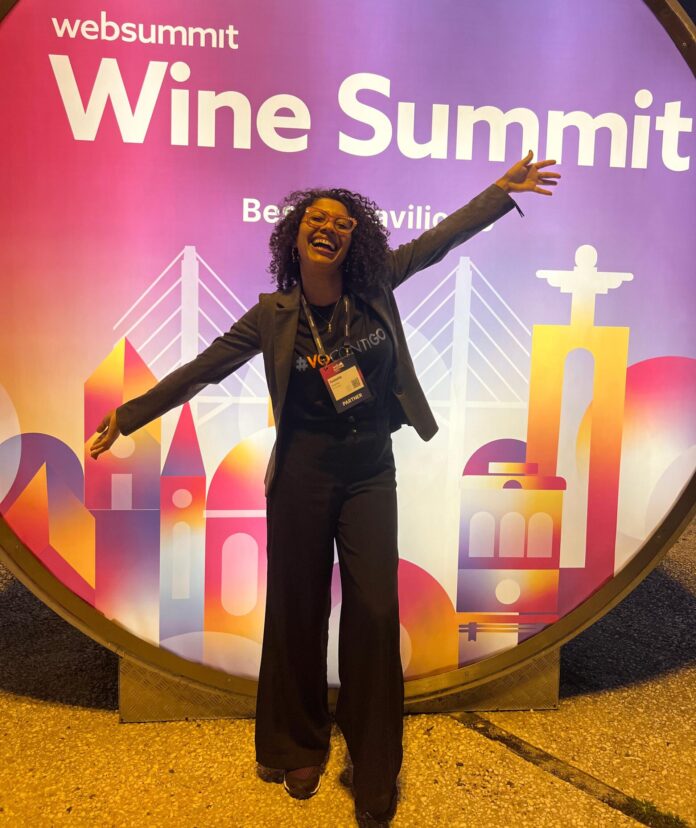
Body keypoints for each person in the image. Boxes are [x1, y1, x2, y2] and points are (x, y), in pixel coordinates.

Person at [90, 151, 560, 826]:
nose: (329, 227)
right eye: (317, 218)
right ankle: (298, 746)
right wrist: (129, 416)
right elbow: (201, 371)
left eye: (342, 222)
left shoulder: (376, 285)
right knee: (297, 608)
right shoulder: (273, 315)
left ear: (353, 240)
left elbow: (440, 240)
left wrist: (498, 193)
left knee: (374, 611)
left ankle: (374, 767)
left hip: (369, 472)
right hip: (301, 475)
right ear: (296, 235)